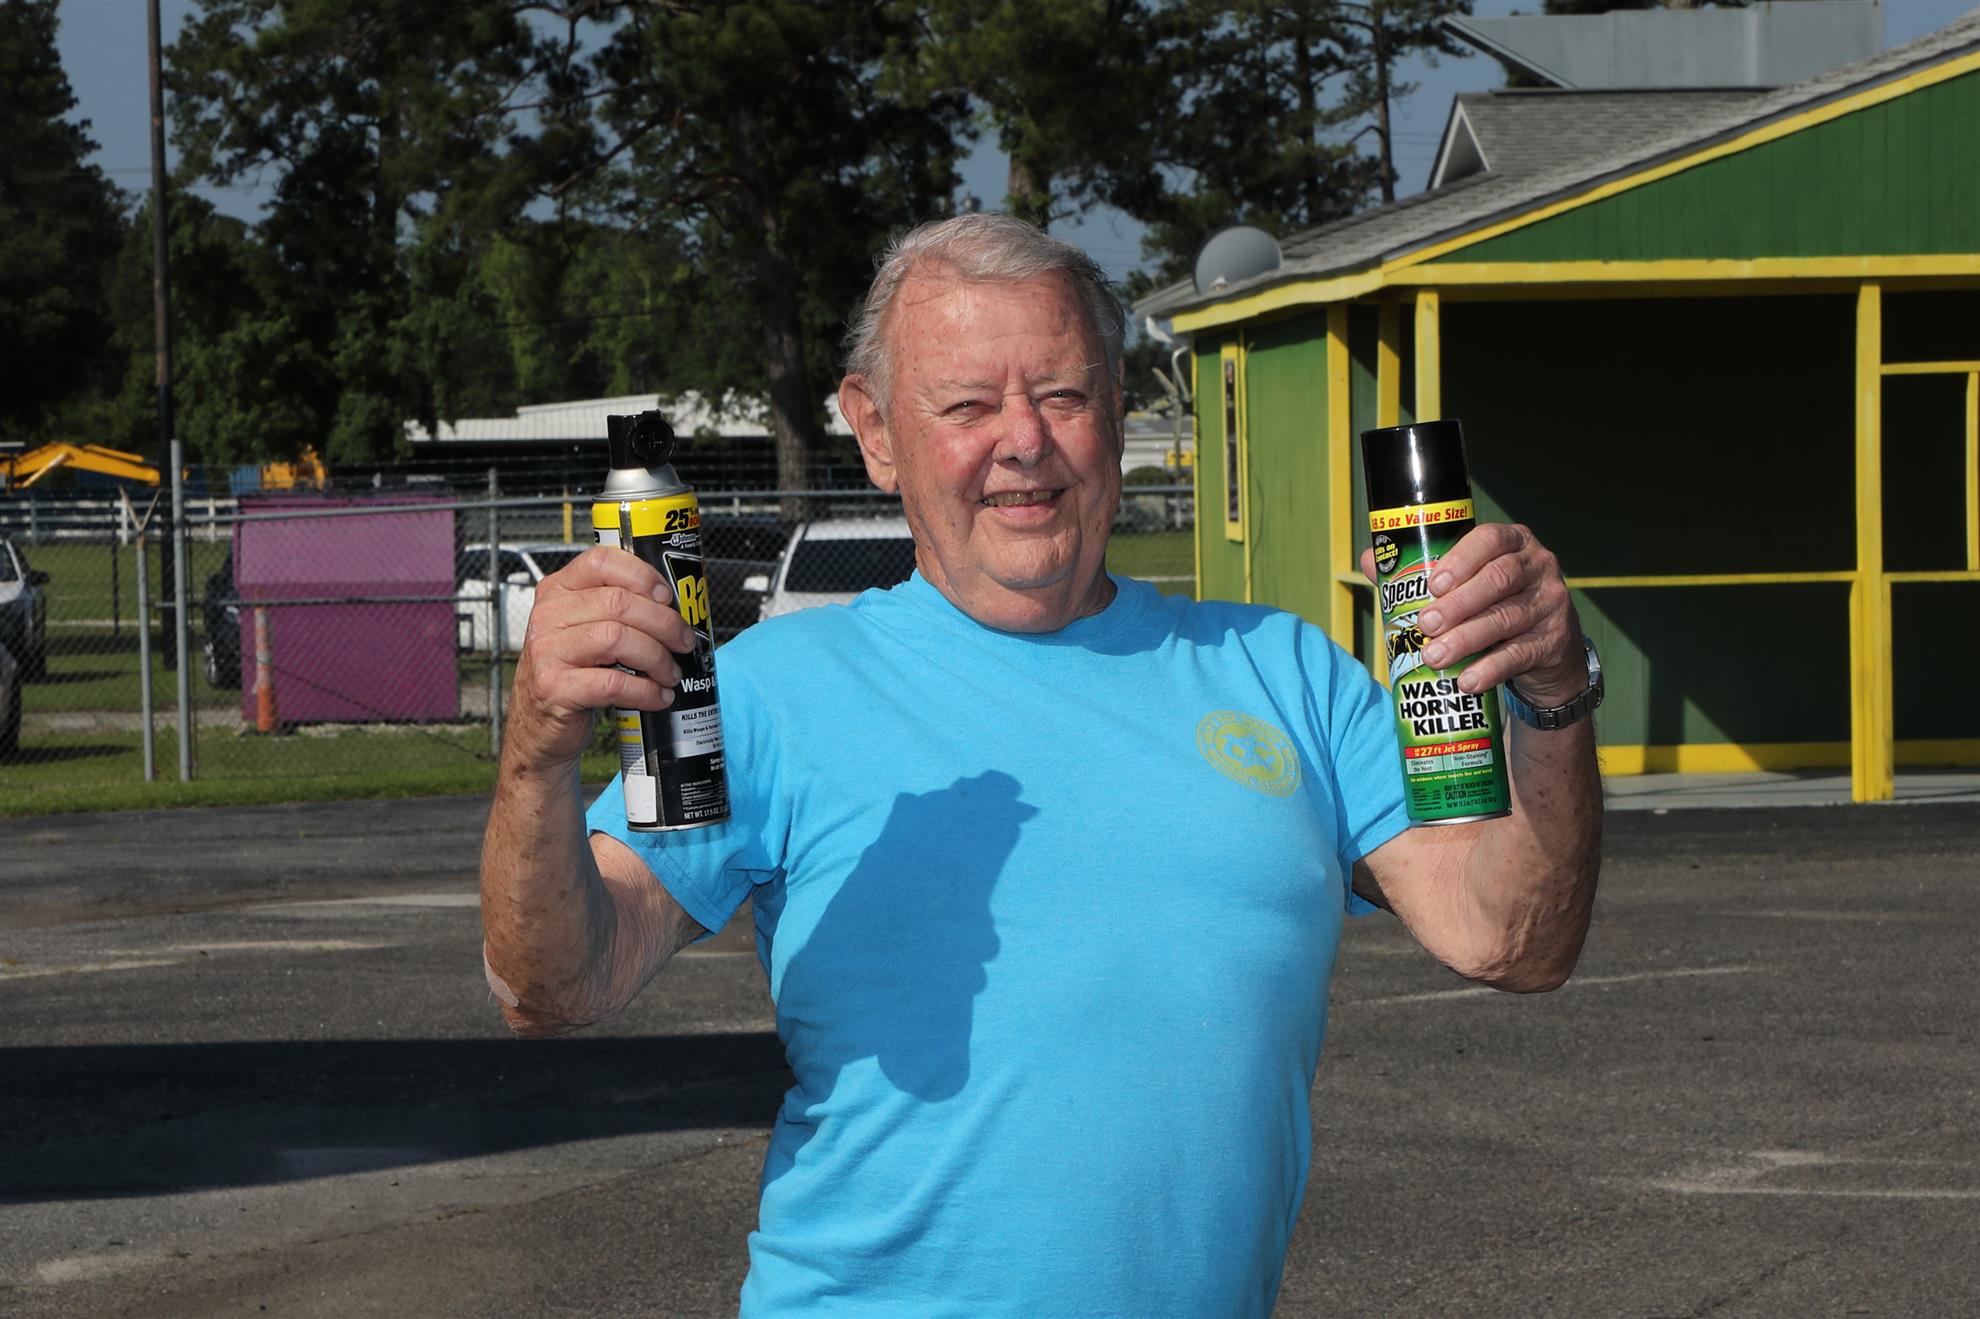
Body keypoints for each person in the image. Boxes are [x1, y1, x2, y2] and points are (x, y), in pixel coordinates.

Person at [480, 213, 1601, 1316]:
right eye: (967, 404)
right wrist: (538, 750)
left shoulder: (1287, 674)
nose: (1023, 441)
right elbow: (555, 984)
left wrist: (1552, 695)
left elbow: (1511, 937)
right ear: (875, 432)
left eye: (1062, 393)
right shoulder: (772, 692)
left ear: (1116, 406)